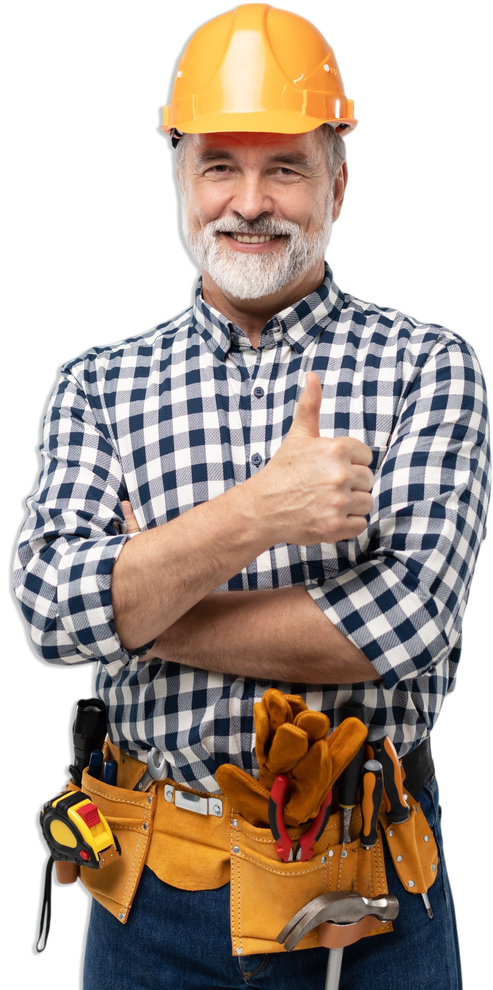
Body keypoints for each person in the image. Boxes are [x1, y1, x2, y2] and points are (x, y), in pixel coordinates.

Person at [14, 4, 490, 988]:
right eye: (219, 165)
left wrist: (145, 597)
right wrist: (257, 515)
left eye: (284, 166)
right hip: (149, 901)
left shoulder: (429, 367)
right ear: (181, 182)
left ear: (339, 184)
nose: (248, 201)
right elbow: (54, 610)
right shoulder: (98, 384)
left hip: (372, 908)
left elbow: (408, 625)